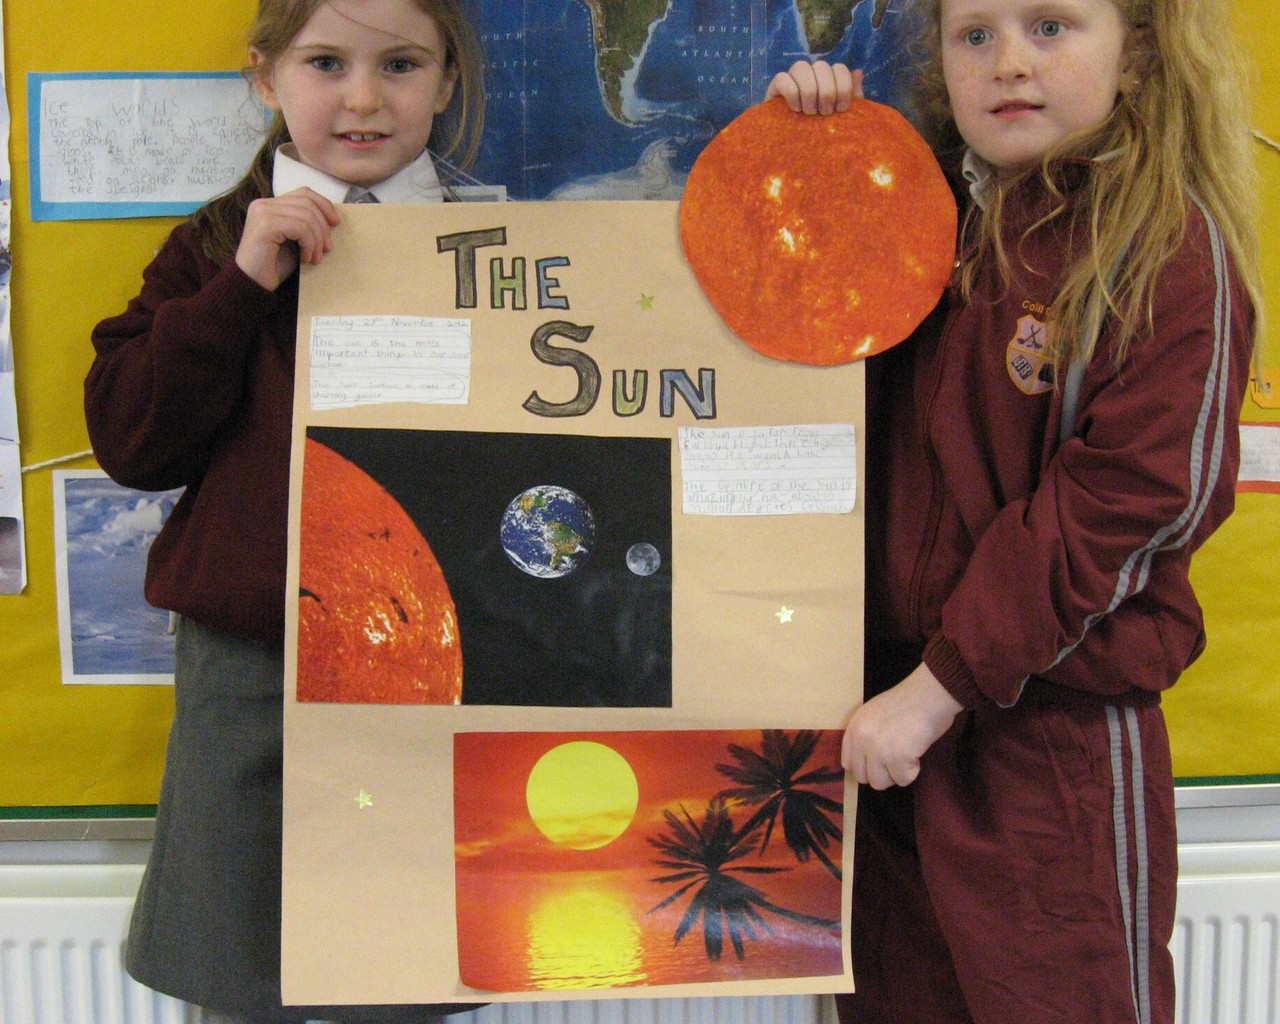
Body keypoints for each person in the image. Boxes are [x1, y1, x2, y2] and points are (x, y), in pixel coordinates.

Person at [766, 0, 1261, 1020]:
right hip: (885, 729)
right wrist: (809, 151)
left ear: (1135, 57)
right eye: (975, 35)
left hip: (1047, 743)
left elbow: (1121, 505)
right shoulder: (914, 212)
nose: (1008, 63)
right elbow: (787, 350)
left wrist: (936, 689)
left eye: (1050, 27)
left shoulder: (1164, 247)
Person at [84, 1, 485, 1021]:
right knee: (238, 968)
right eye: (326, 63)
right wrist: (239, 285)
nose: (363, 98)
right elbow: (132, 444)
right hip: (250, 667)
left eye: (401, 64)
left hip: (426, 662)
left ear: (447, 79)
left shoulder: (499, 247)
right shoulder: (214, 247)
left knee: (400, 976)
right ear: (266, 77)